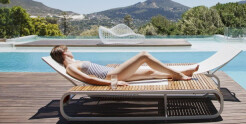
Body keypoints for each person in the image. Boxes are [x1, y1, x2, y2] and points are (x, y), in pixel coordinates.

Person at [50, 45, 199, 87]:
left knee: (149, 72)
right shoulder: (70, 67)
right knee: (144, 55)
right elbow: (89, 80)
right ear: (63, 53)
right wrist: (113, 82)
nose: (71, 50)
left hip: (112, 72)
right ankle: (179, 74)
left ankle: (181, 72)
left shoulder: (75, 62)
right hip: (112, 75)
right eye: (68, 49)